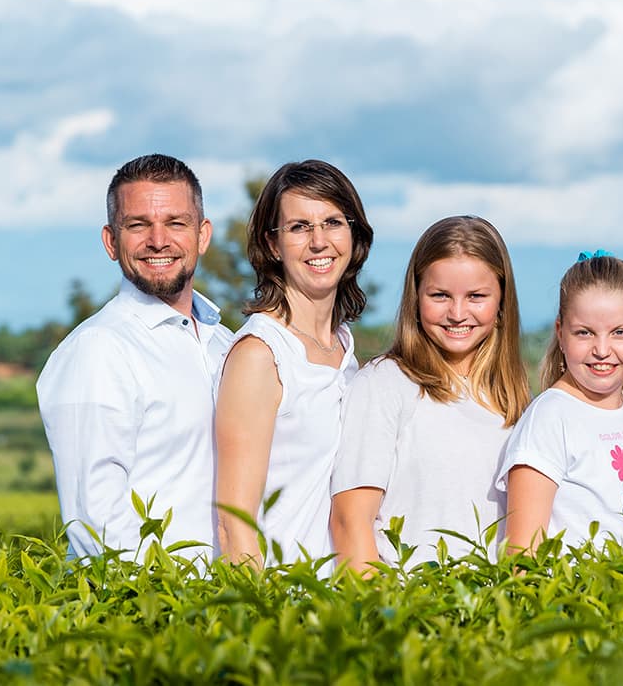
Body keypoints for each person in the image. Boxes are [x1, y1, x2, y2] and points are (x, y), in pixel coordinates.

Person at [37, 153, 233, 563]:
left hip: (228, 605)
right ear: (111, 241)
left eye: (176, 223)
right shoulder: (98, 350)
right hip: (150, 610)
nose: (158, 240)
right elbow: (96, 521)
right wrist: (170, 602)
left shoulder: (226, 344)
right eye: (138, 224)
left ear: (202, 235)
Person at [330, 216, 530, 572]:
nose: (457, 313)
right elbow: (350, 524)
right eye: (439, 295)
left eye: (476, 297)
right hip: (409, 610)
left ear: (501, 302)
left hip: (493, 613)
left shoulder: (512, 399)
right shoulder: (383, 384)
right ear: (416, 296)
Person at [215, 159, 374, 569]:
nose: (319, 241)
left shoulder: (345, 352)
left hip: (339, 605)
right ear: (273, 245)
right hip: (282, 607)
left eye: (333, 222)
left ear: (354, 236)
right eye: (299, 227)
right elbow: (234, 525)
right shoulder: (260, 354)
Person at [497, 251, 623, 554]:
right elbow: (522, 554)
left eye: (619, 333)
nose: (602, 349)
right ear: (561, 333)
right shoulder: (549, 418)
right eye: (584, 333)